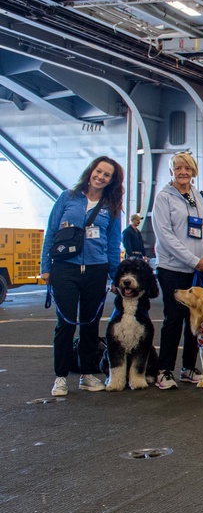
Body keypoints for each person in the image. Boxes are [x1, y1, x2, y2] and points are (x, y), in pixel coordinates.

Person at [40, 156, 124, 396]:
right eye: (98, 171)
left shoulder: (111, 206)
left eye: (106, 175)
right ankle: (61, 376)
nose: (101, 177)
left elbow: (112, 243)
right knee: (65, 324)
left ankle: (87, 373)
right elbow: (51, 233)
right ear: (91, 171)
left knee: (90, 323)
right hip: (65, 268)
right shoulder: (67, 197)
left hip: (96, 270)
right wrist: (46, 267)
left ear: (111, 181)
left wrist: (115, 276)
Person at [151, 152, 203, 389]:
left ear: (194, 172)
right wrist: (194, 260)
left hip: (200, 268)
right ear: (171, 171)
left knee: (198, 318)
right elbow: (165, 236)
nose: (183, 172)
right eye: (178, 168)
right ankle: (164, 370)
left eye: (188, 168)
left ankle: (189, 368)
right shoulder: (163, 198)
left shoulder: (201, 197)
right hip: (173, 268)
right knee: (173, 319)